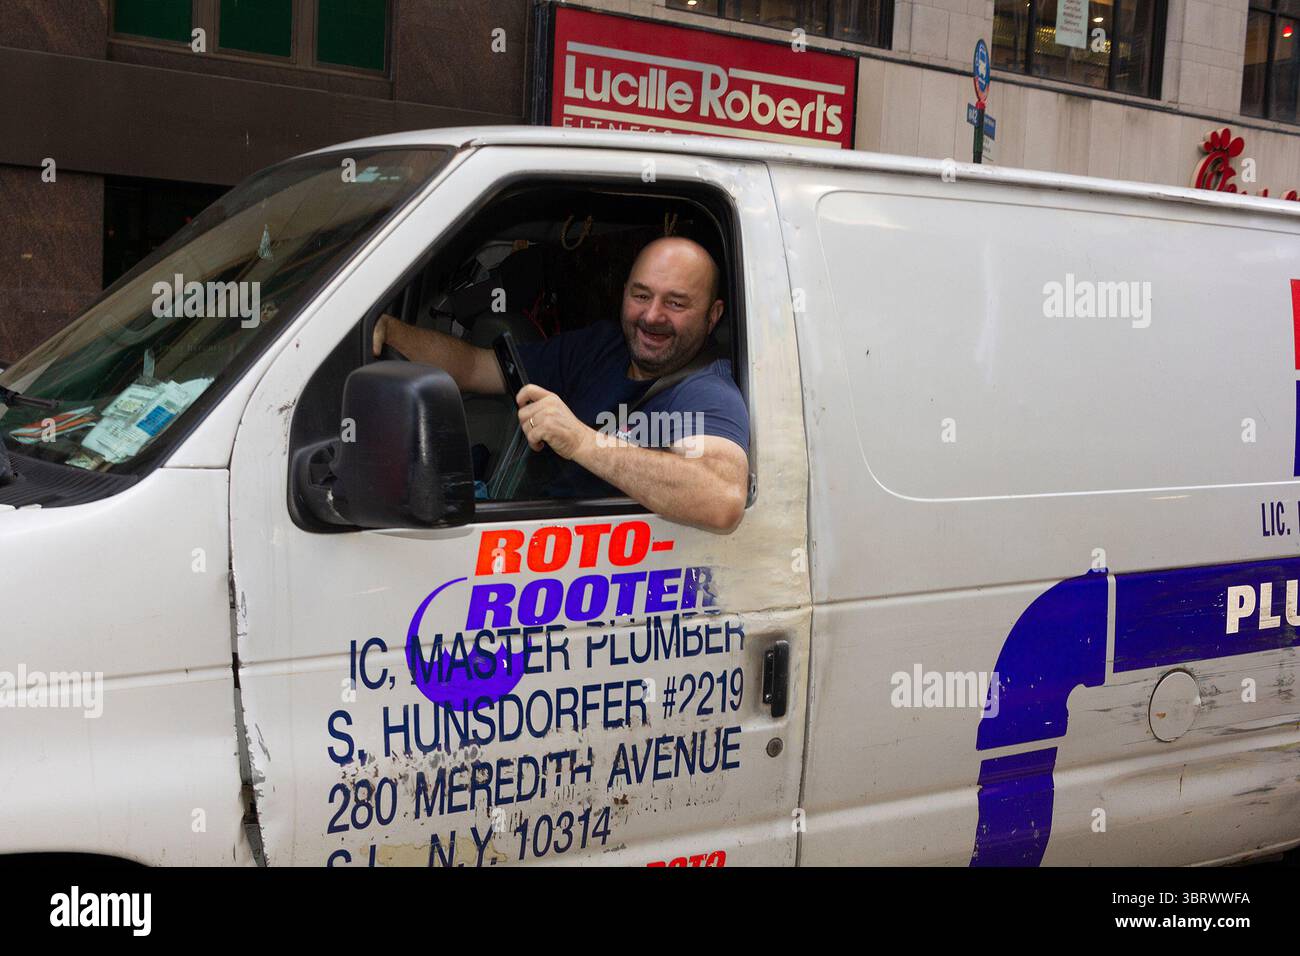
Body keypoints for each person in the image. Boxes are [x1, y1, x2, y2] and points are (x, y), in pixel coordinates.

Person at [372, 236, 749, 533]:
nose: (652, 316)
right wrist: (392, 330)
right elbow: (473, 366)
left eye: (676, 304)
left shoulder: (706, 392)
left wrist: (583, 442)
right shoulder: (601, 347)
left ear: (712, 315)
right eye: (641, 295)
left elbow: (722, 498)